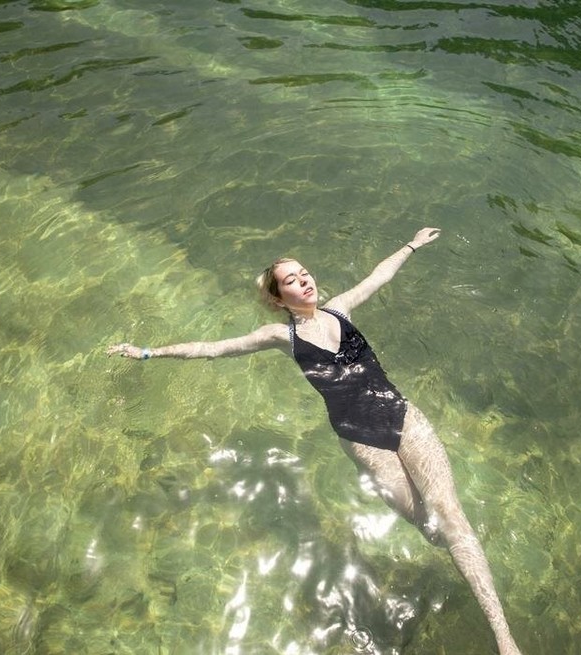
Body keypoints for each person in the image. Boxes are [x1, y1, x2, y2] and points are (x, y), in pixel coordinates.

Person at [106, 228, 523, 655]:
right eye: (291, 280)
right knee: (433, 530)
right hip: (362, 439)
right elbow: (214, 348)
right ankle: (471, 563)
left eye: (304, 273)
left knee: (452, 518)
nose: (304, 280)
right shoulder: (280, 337)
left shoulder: (340, 309)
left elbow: (378, 277)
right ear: (277, 299)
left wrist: (411, 245)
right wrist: (149, 352)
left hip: (403, 416)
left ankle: (504, 639)